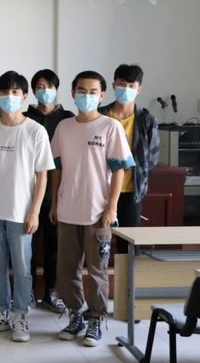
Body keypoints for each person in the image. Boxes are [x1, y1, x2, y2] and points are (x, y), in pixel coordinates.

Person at [51, 71, 135, 347]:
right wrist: (54, 203)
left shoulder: (111, 127)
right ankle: (76, 314)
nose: (86, 96)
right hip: (67, 210)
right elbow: (56, 169)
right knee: (67, 270)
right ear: (72, 93)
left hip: (98, 213)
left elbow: (120, 170)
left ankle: (97, 319)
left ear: (101, 95)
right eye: (81, 91)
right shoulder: (64, 127)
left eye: (92, 92)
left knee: (97, 270)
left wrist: (112, 207)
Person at [0, 71, 54, 343]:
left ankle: (20, 314)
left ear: (24, 96)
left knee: (22, 267)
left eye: (15, 92)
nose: (10, 97)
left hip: (22, 213)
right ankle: (1, 311)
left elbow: (43, 175)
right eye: (4, 93)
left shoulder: (36, 131)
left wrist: (35, 211)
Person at [24, 69, 75, 314]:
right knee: (30, 247)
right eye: (40, 87)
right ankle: (29, 290)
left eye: (49, 87)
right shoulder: (25, 118)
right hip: (28, 194)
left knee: (55, 246)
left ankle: (51, 291)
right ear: (33, 91)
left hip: (59, 193)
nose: (45, 91)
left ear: (57, 89)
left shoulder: (67, 119)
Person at [99, 64, 160, 255]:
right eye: (121, 84)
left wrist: (139, 177)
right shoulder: (100, 115)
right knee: (99, 241)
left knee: (129, 244)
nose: (126, 89)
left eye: (131, 86)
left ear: (139, 89)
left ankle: (128, 275)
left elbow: (152, 157)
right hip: (100, 190)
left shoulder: (146, 119)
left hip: (131, 191)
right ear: (113, 85)